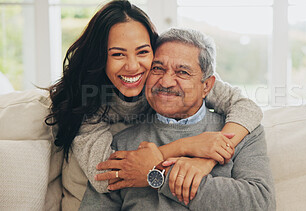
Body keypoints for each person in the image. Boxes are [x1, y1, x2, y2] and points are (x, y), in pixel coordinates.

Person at [45, 0, 263, 209]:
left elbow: (247, 107)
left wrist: (207, 159)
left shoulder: (194, 87)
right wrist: (178, 150)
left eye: (142, 52)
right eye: (118, 54)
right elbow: (107, 179)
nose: (132, 66)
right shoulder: (91, 109)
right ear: (101, 59)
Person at [79, 27, 275, 211]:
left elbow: (260, 203)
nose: (166, 81)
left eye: (182, 72)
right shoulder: (121, 144)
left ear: (207, 86)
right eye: (157, 68)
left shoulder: (241, 131)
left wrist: (159, 175)